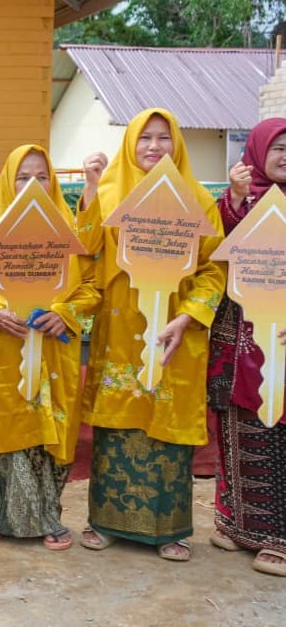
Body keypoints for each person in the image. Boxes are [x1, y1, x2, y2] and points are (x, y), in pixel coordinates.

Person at [78, 108, 225, 562]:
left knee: (165, 430)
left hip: (173, 333)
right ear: (130, 144)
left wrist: (189, 317)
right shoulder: (106, 191)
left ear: (176, 144)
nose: (155, 147)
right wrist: (88, 189)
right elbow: (84, 250)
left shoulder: (197, 198)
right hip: (120, 330)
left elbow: (213, 271)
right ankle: (105, 522)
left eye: (164, 138)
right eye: (146, 138)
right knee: (118, 424)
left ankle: (171, 529)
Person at [0, 144, 99, 551]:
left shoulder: (66, 231)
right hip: (6, 349)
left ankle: (50, 517)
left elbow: (90, 286)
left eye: (41, 177)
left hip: (54, 351)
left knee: (50, 429)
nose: (32, 184)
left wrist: (66, 314)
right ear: (8, 182)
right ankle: (0, 517)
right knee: (8, 427)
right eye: (24, 177)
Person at [207, 117, 286, 576]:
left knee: (280, 429)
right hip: (239, 341)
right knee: (239, 428)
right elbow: (221, 246)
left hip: (280, 338)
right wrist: (236, 198)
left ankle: (279, 537)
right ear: (256, 152)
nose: (283, 155)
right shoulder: (242, 199)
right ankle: (237, 524)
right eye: (275, 147)